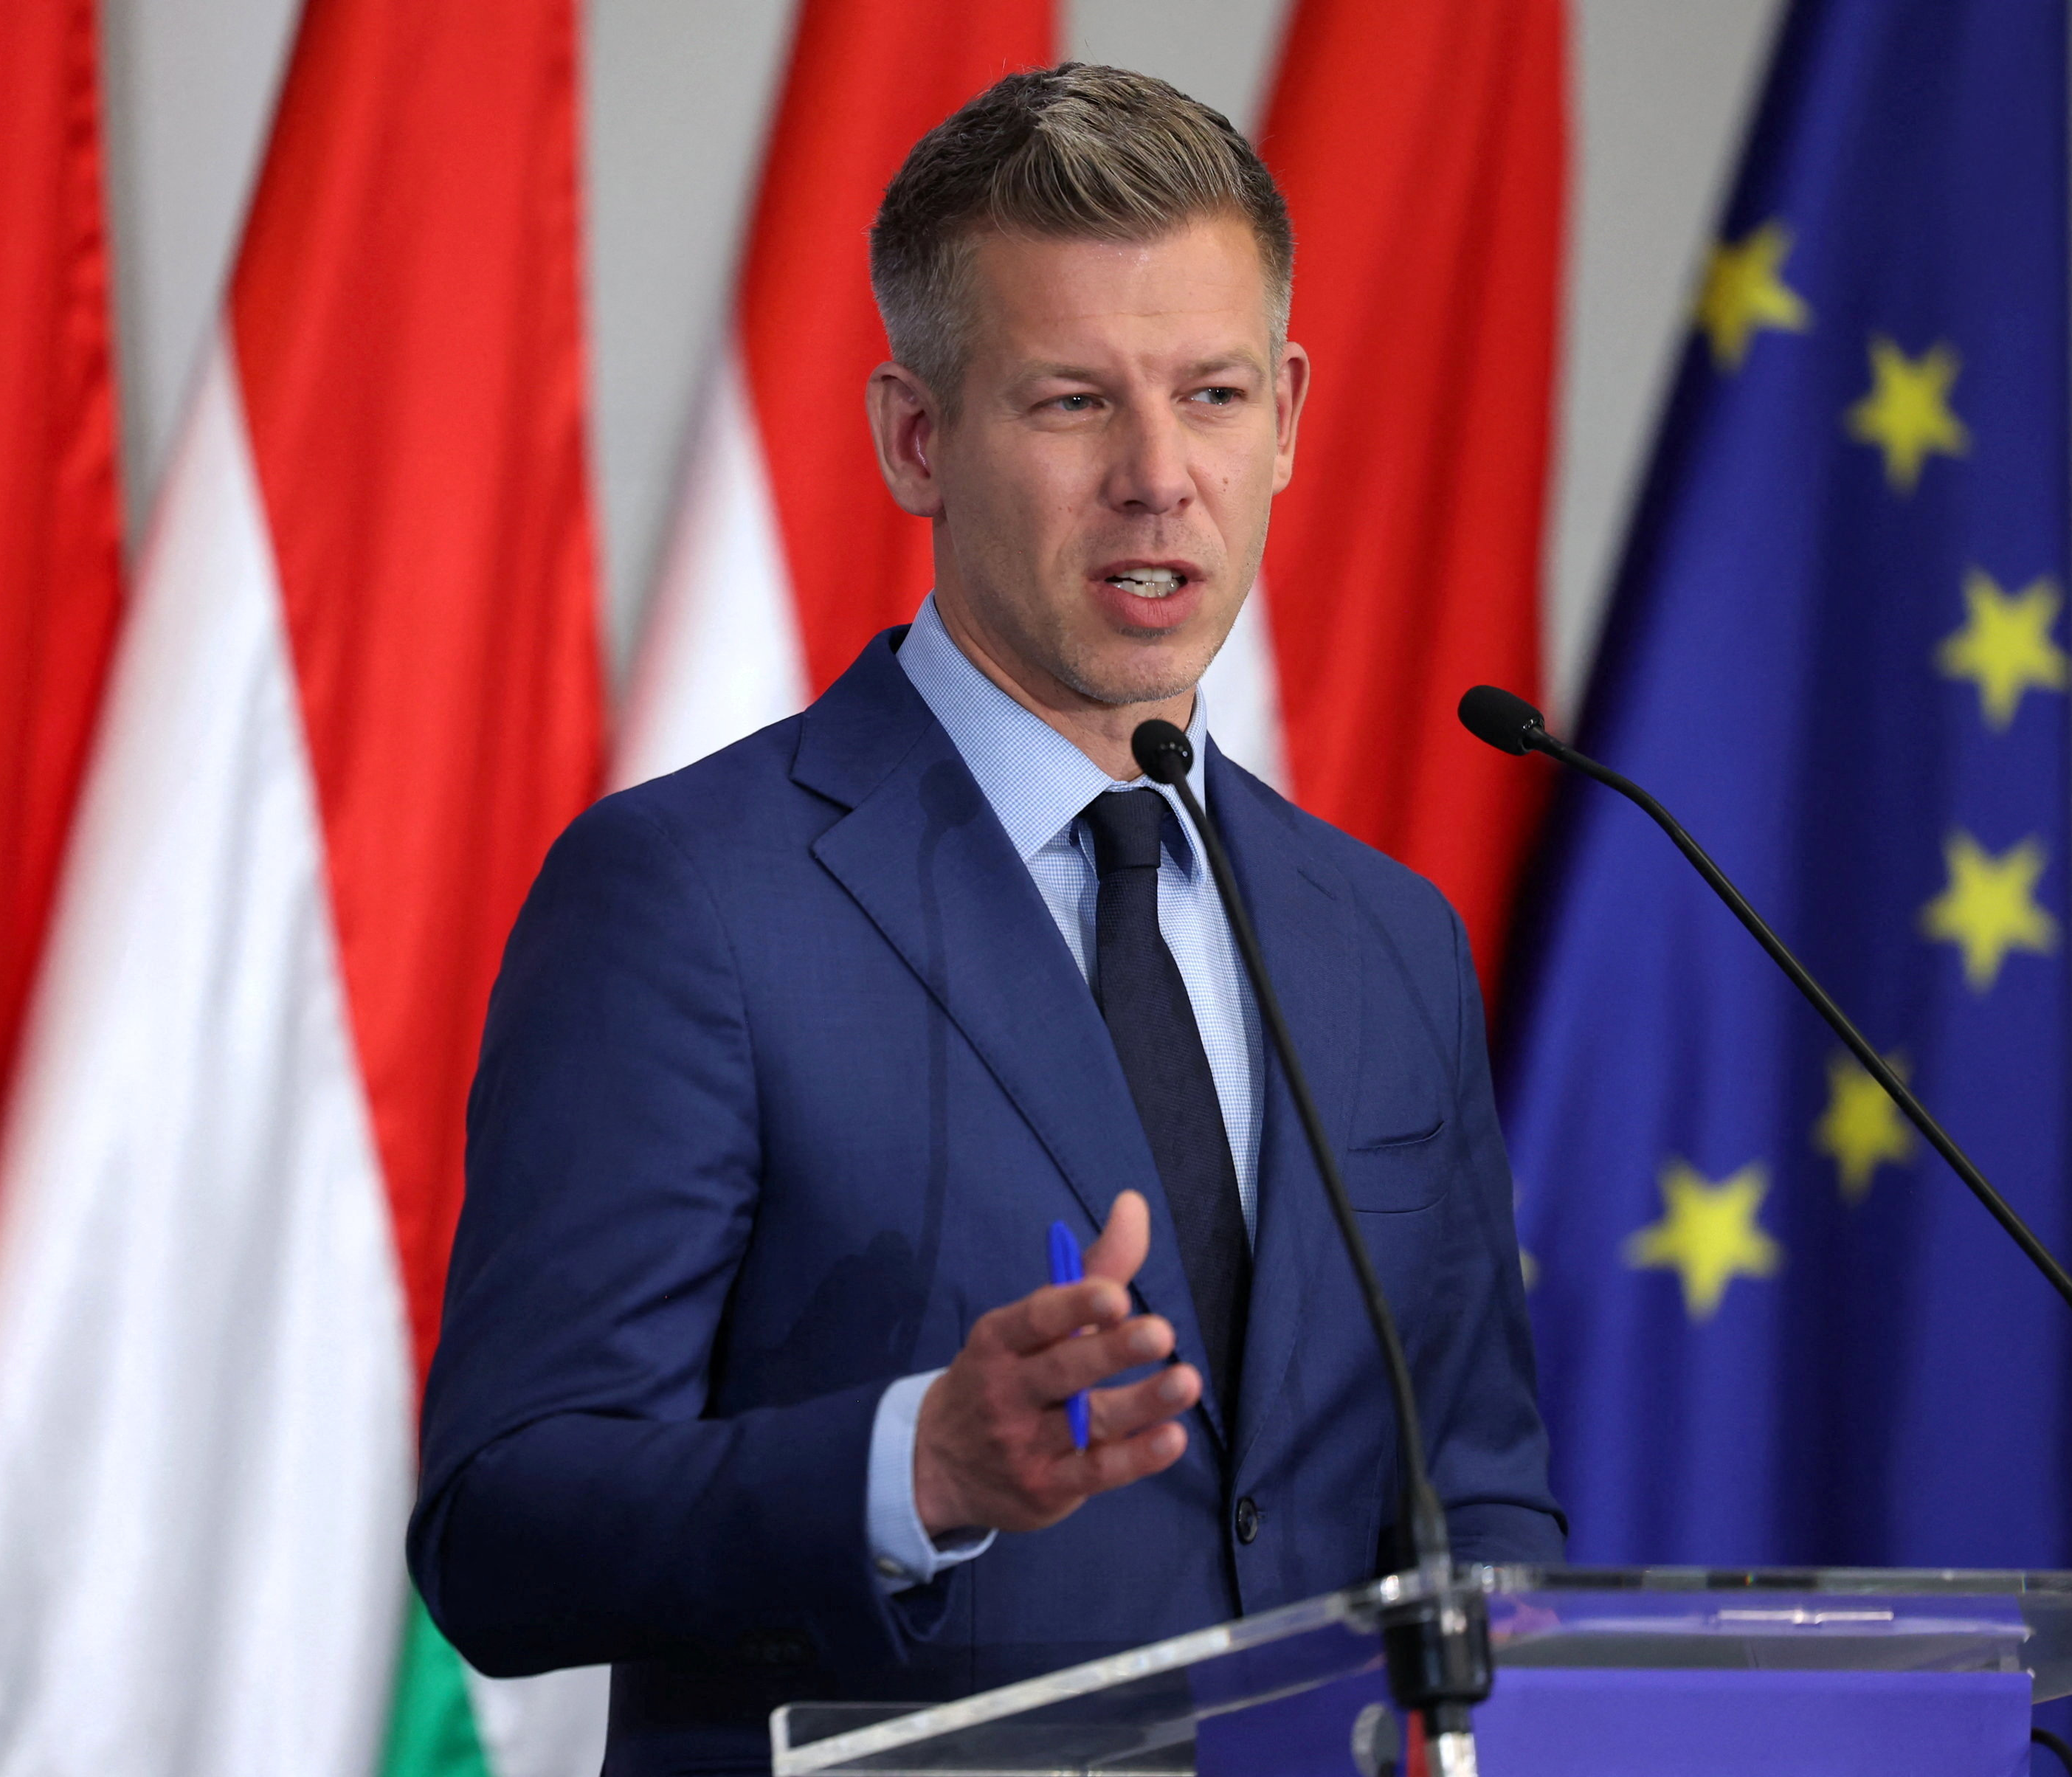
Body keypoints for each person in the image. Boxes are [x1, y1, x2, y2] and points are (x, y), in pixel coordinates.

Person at [409, 63, 1562, 1777]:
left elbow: (1476, 1495)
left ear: (1293, 415)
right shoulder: (693, 897)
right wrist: (917, 1466)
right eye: (1074, 402)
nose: (1161, 477)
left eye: (1216, 393)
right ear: (916, 437)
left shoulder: (1381, 937)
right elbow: (503, 1527)